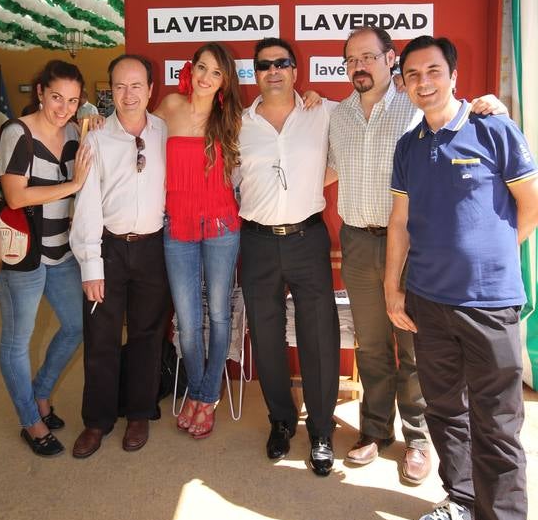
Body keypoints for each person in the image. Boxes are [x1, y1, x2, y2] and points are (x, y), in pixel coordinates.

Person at [385, 35, 538, 520]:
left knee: (498, 429)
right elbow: (399, 223)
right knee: (446, 410)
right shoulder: (407, 147)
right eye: (412, 74)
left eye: (432, 71)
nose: (422, 82)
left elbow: (531, 203)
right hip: (428, 301)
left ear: (453, 73)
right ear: (403, 83)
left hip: (491, 306)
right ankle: (462, 500)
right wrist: (392, 290)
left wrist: (495, 254)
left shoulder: (493, 128)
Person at [326, 27, 509, 485]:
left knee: (414, 344)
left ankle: (419, 437)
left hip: (411, 245)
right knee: (371, 343)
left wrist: (492, 105)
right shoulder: (338, 114)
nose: (359, 66)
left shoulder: (417, 104)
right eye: (351, 59)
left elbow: (463, 113)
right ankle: (374, 430)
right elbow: (324, 168)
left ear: (390, 60)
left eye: (369, 56)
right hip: (357, 240)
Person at [238, 37, 339, 476]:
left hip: (307, 238)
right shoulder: (237, 124)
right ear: (255, 73)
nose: (273, 71)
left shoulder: (324, 112)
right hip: (257, 241)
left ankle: (320, 430)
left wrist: (312, 182)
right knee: (265, 334)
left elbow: (376, 116)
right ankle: (281, 420)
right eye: (264, 65)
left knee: (319, 334)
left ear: (295, 71)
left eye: (281, 63)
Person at [69, 54, 171, 458]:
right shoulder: (94, 138)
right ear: (110, 91)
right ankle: (97, 421)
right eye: (119, 87)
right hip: (108, 249)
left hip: (153, 249)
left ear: (150, 89)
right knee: (101, 338)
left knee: (148, 335)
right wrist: (91, 266)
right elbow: (87, 205)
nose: (128, 95)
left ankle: (139, 414)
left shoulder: (165, 131)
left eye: (136, 86)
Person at [0, 60, 92, 458]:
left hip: (61, 251)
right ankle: (30, 419)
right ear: (39, 92)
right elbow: (16, 196)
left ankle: (40, 393)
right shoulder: (16, 132)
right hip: (22, 255)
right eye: (56, 97)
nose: (63, 107)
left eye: (72, 100)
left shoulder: (74, 132)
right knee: (18, 341)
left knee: (75, 326)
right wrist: (72, 184)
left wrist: (92, 127)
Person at [154, 43, 242, 439]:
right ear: (191, 70)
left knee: (220, 314)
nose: (206, 77)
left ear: (225, 81)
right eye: (202, 67)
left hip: (223, 225)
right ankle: (199, 389)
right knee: (188, 322)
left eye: (216, 72)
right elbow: (135, 136)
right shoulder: (170, 105)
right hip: (178, 225)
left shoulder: (233, 118)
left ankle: (205, 397)